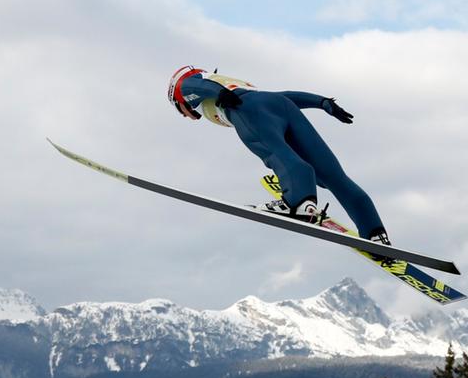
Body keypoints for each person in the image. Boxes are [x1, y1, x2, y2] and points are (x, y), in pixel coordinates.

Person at [167, 66, 390, 246]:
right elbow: (279, 97)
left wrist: (221, 95)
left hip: (246, 109)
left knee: (276, 153)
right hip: (281, 106)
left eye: (179, 109)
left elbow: (196, 84)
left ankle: (298, 203)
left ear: (178, 98)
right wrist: (321, 102)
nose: (185, 115)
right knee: (333, 176)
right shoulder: (230, 81)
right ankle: (374, 233)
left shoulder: (187, 85)